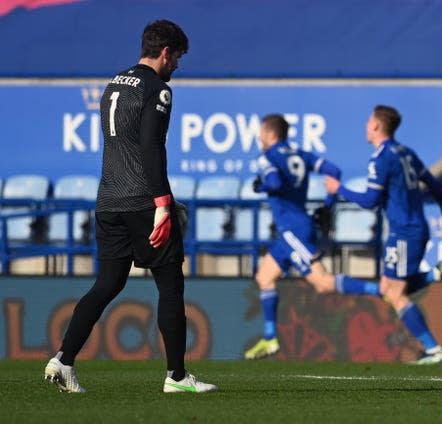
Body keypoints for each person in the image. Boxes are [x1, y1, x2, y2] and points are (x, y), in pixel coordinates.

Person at [44, 20, 216, 394]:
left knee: (107, 283)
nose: (178, 67)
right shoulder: (159, 89)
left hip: (108, 200)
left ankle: (63, 359)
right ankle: (176, 377)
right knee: (170, 286)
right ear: (166, 52)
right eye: (178, 57)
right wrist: (163, 203)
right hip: (142, 200)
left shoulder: (113, 83)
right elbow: (152, 147)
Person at [325, 105, 442, 364]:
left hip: (403, 233)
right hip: (415, 228)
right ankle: (437, 274)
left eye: (368, 121)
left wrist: (338, 188)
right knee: (389, 288)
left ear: (376, 126)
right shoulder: (405, 152)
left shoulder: (381, 157)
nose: (366, 126)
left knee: (395, 294)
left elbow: (369, 200)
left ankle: (433, 350)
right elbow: (433, 182)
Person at [243, 114, 382, 360]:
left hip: (292, 231)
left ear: (271, 135)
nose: (259, 137)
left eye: (262, 133)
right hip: (293, 229)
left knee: (323, 283)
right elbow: (334, 170)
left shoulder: (268, 157)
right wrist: (328, 205)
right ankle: (269, 337)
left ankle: (381, 290)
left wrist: (260, 186)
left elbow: (273, 182)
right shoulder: (300, 155)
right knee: (264, 276)